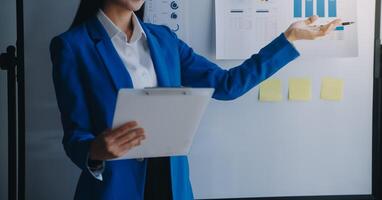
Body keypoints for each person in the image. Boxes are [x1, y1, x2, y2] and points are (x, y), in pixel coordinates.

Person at [49, 0, 341, 199]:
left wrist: (288, 39)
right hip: (115, 187)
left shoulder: (163, 39)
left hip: (172, 184)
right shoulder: (72, 46)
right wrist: (96, 152)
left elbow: (228, 85)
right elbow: (75, 136)